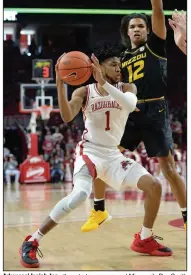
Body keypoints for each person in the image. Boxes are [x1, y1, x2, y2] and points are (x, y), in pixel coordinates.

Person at [19, 47, 172, 268]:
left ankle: (144, 239)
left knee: (154, 186)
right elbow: (66, 116)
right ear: (97, 66)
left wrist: (104, 82)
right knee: (80, 195)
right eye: (112, 64)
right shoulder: (83, 92)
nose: (118, 68)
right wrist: (60, 86)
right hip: (89, 151)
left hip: (113, 155)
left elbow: (129, 105)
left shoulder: (128, 87)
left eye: (119, 64)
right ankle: (33, 240)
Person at [82, 0, 187, 232]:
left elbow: (156, 8)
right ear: (127, 32)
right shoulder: (122, 59)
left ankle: (187, 213)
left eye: (142, 25)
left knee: (168, 168)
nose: (138, 29)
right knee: (105, 157)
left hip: (156, 110)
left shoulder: (155, 45)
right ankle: (99, 209)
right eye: (133, 26)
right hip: (128, 112)